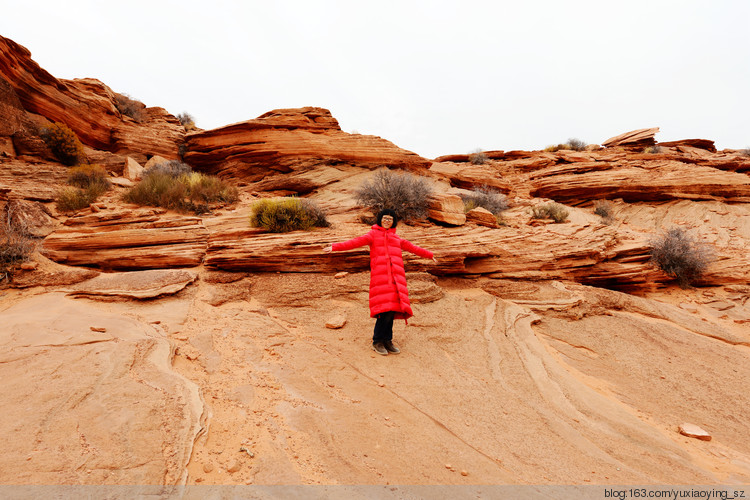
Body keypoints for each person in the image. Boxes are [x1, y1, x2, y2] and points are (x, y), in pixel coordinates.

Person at [323, 209, 436, 356]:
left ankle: (387, 340)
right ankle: (377, 341)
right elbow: (354, 242)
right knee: (384, 312)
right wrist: (334, 247)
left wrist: (430, 255)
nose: (387, 221)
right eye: (385, 218)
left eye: (390, 219)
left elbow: (413, 248)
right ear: (380, 220)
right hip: (381, 280)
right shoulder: (372, 235)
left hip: (396, 281)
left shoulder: (397, 239)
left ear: (393, 222)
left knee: (392, 311)